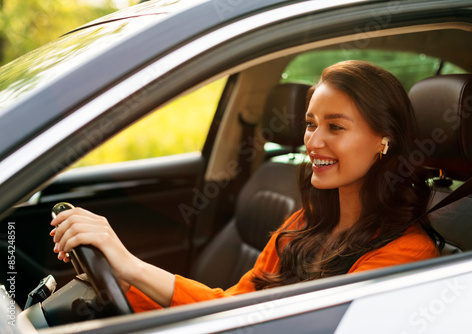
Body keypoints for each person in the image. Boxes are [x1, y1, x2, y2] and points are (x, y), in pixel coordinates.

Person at [50, 60, 442, 312]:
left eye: (335, 127)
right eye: (310, 123)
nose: (313, 140)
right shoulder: (305, 224)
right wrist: (123, 274)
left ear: (384, 141)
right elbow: (235, 306)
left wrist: (130, 269)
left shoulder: (405, 255)